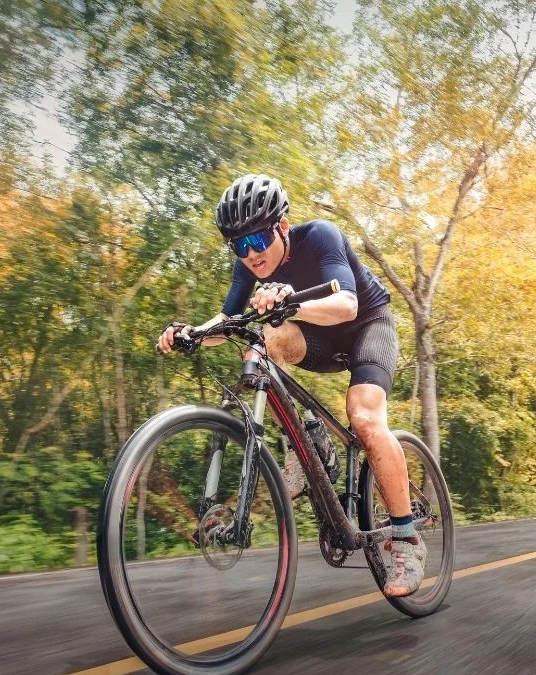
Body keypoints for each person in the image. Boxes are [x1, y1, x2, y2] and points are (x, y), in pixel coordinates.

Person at [156, 173, 425, 597]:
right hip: (318, 340)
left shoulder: (320, 236)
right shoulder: (248, 265)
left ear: (282, 226)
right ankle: (306, 443)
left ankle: (406, 538)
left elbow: (347, 304)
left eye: (258, 239)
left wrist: (289, 301)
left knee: (365, 419)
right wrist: (191, 333)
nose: (251, 254)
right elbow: (229, 322)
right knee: (261, 341)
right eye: (239, 245)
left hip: (367, 327)